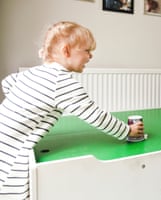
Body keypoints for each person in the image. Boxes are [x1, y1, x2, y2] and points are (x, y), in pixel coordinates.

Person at [0, 21, 144, 200]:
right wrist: (127, 131)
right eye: (87, 51)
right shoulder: (60, 81)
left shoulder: (33, 72)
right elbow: (97, 116)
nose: (90, 56)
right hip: (12, 154)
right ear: (66, 51)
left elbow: (8, 83)